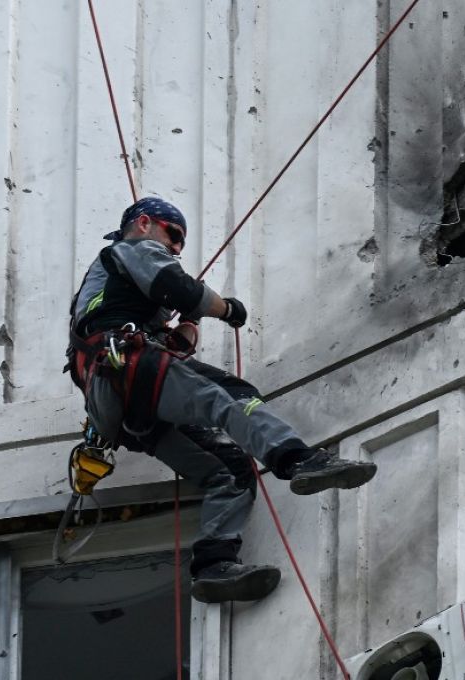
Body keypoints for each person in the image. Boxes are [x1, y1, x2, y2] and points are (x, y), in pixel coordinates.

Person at [66, 196, 376, 604]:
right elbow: (176, 287)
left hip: (121, 407)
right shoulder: (132, 249)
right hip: (130, 368)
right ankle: (297, 460)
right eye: (172, 235)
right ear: (143, 223)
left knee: (229, 469)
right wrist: (226, 308)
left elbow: (174, 343)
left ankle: (214, 565)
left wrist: (187, 324)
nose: (175, 248)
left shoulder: (109, 290)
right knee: (231, 395)